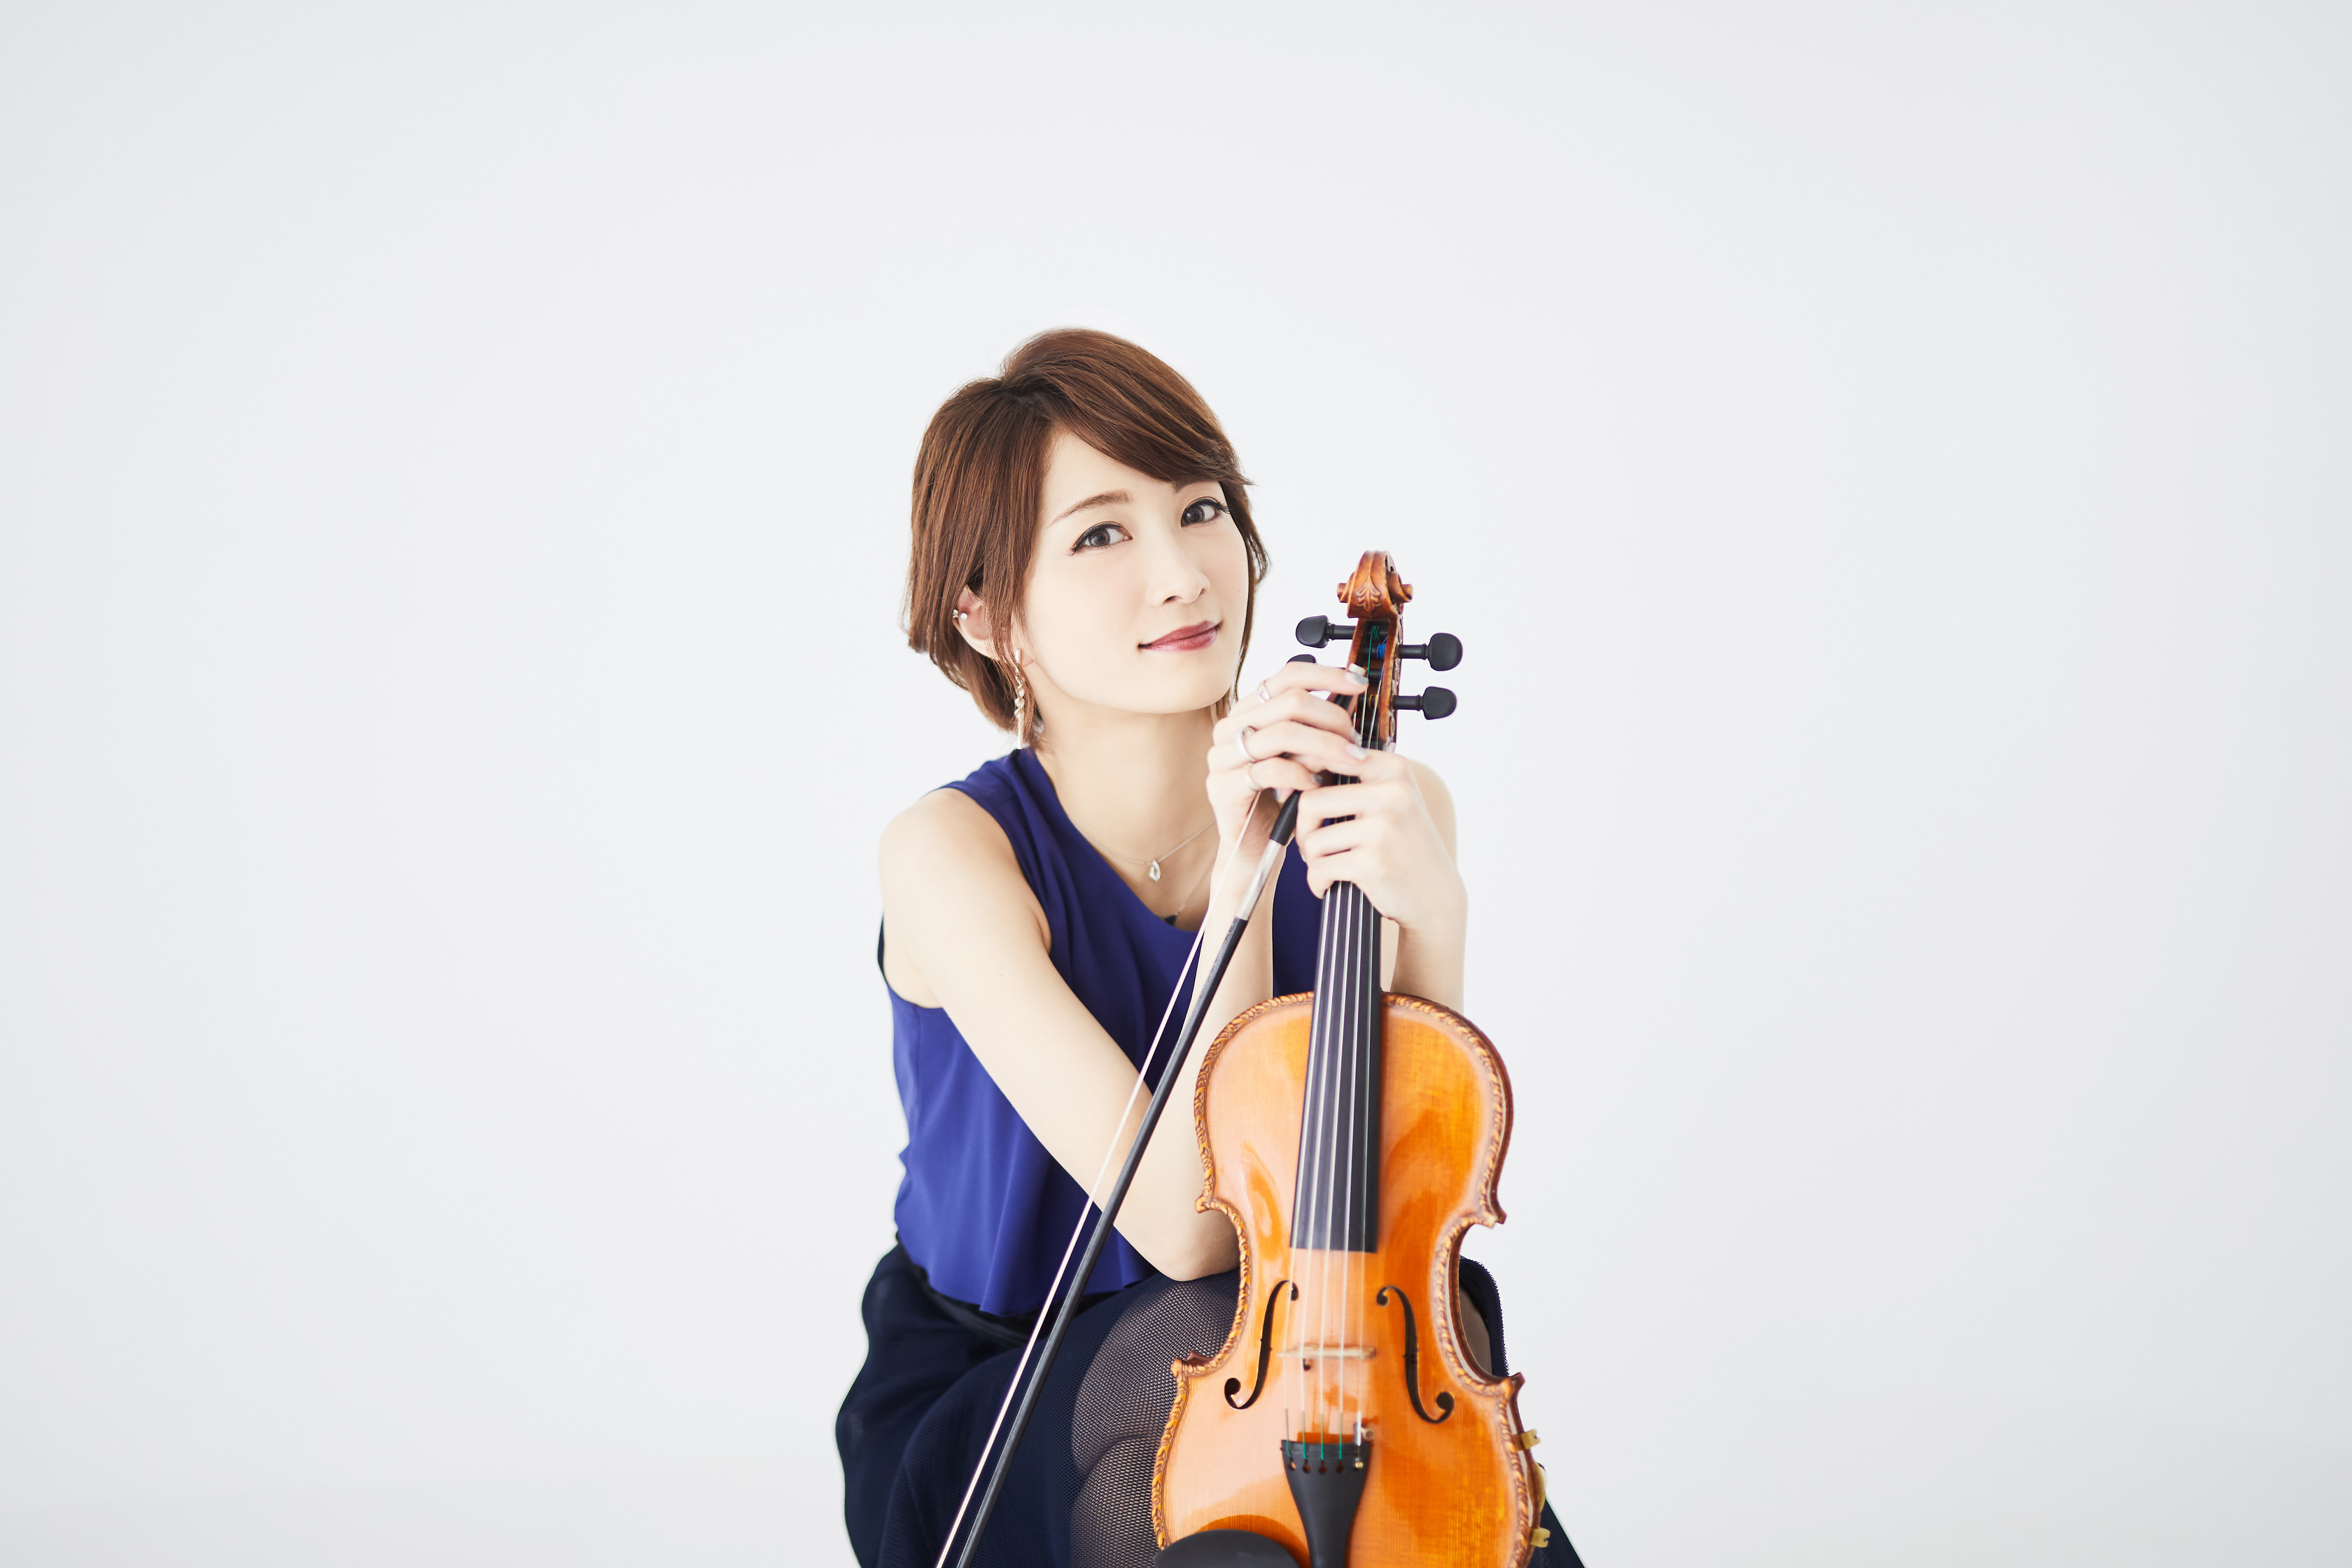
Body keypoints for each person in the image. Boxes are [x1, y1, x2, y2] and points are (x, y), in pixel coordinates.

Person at [836, 330, 1579, 1568]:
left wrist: (1436, 921)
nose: (1183, 575)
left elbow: (1401, 1198)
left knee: (1381, 1396)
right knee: (1196, 1344)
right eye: (1100, 535)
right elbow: (1189, 1234)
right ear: (988, 611)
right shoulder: (948, 855)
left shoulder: (1379, 810)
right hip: (1002, 1393)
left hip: (1311, 1334)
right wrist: (1243, 887)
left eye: (1200, 510)